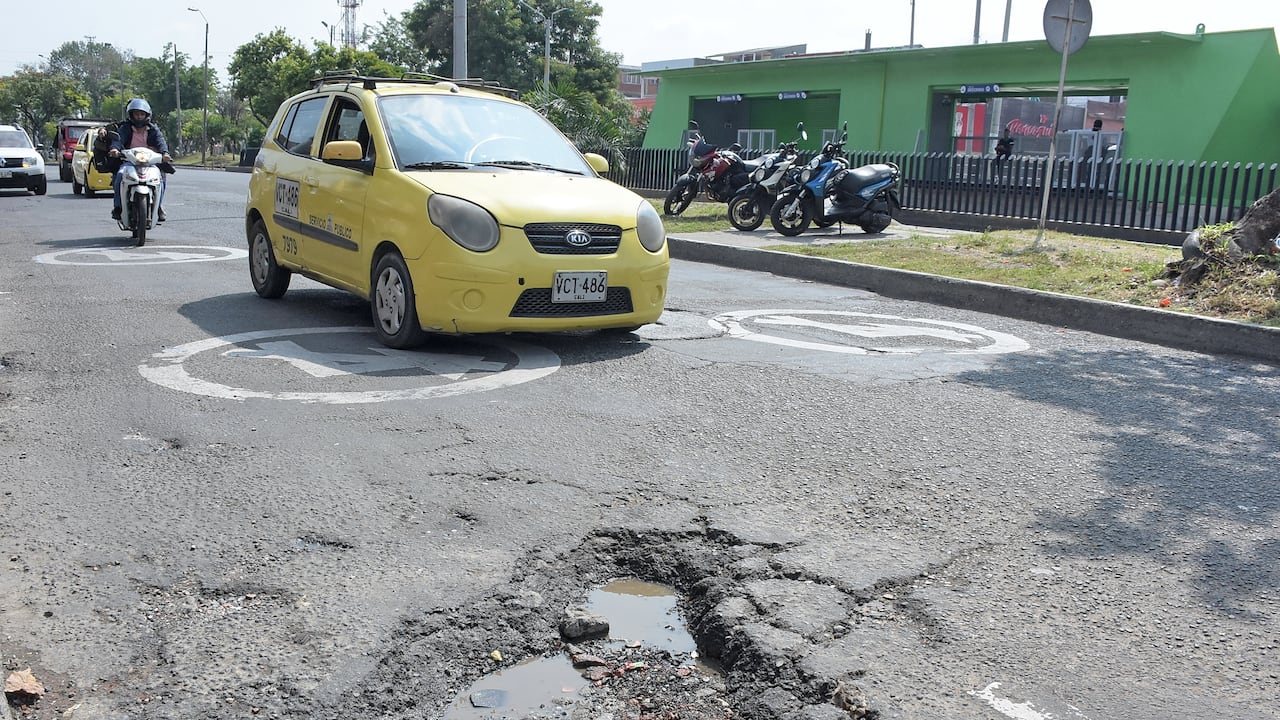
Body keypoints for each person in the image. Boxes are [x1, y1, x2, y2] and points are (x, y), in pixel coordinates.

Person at [109, 98, 172, 223]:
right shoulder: (125, 128)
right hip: (129, 161)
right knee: (120, 175)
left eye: (142, 114)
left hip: (149, 162)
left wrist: (165, 153)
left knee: (161, 178)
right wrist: (115, 149)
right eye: (136, 114)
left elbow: (161, 142)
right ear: (131, 114)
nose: (139, 117)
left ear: (147, 115)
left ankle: (158, 207)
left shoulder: (153, 130)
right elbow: (118, 140)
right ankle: (118, 207)